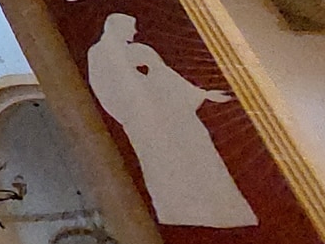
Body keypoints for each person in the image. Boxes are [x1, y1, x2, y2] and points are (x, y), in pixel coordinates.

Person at [86, 12, 257, 228]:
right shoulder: (100, 53)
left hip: (175, 116)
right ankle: (180, 213)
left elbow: (167, 76)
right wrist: (133, 114)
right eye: (131, 27)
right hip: (144, 122)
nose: (135, 32)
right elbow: (106, 89)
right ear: (116, 28)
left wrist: (201, 94)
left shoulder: (141, 50)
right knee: (163, 164)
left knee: (200, 157)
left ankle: (221, 210)